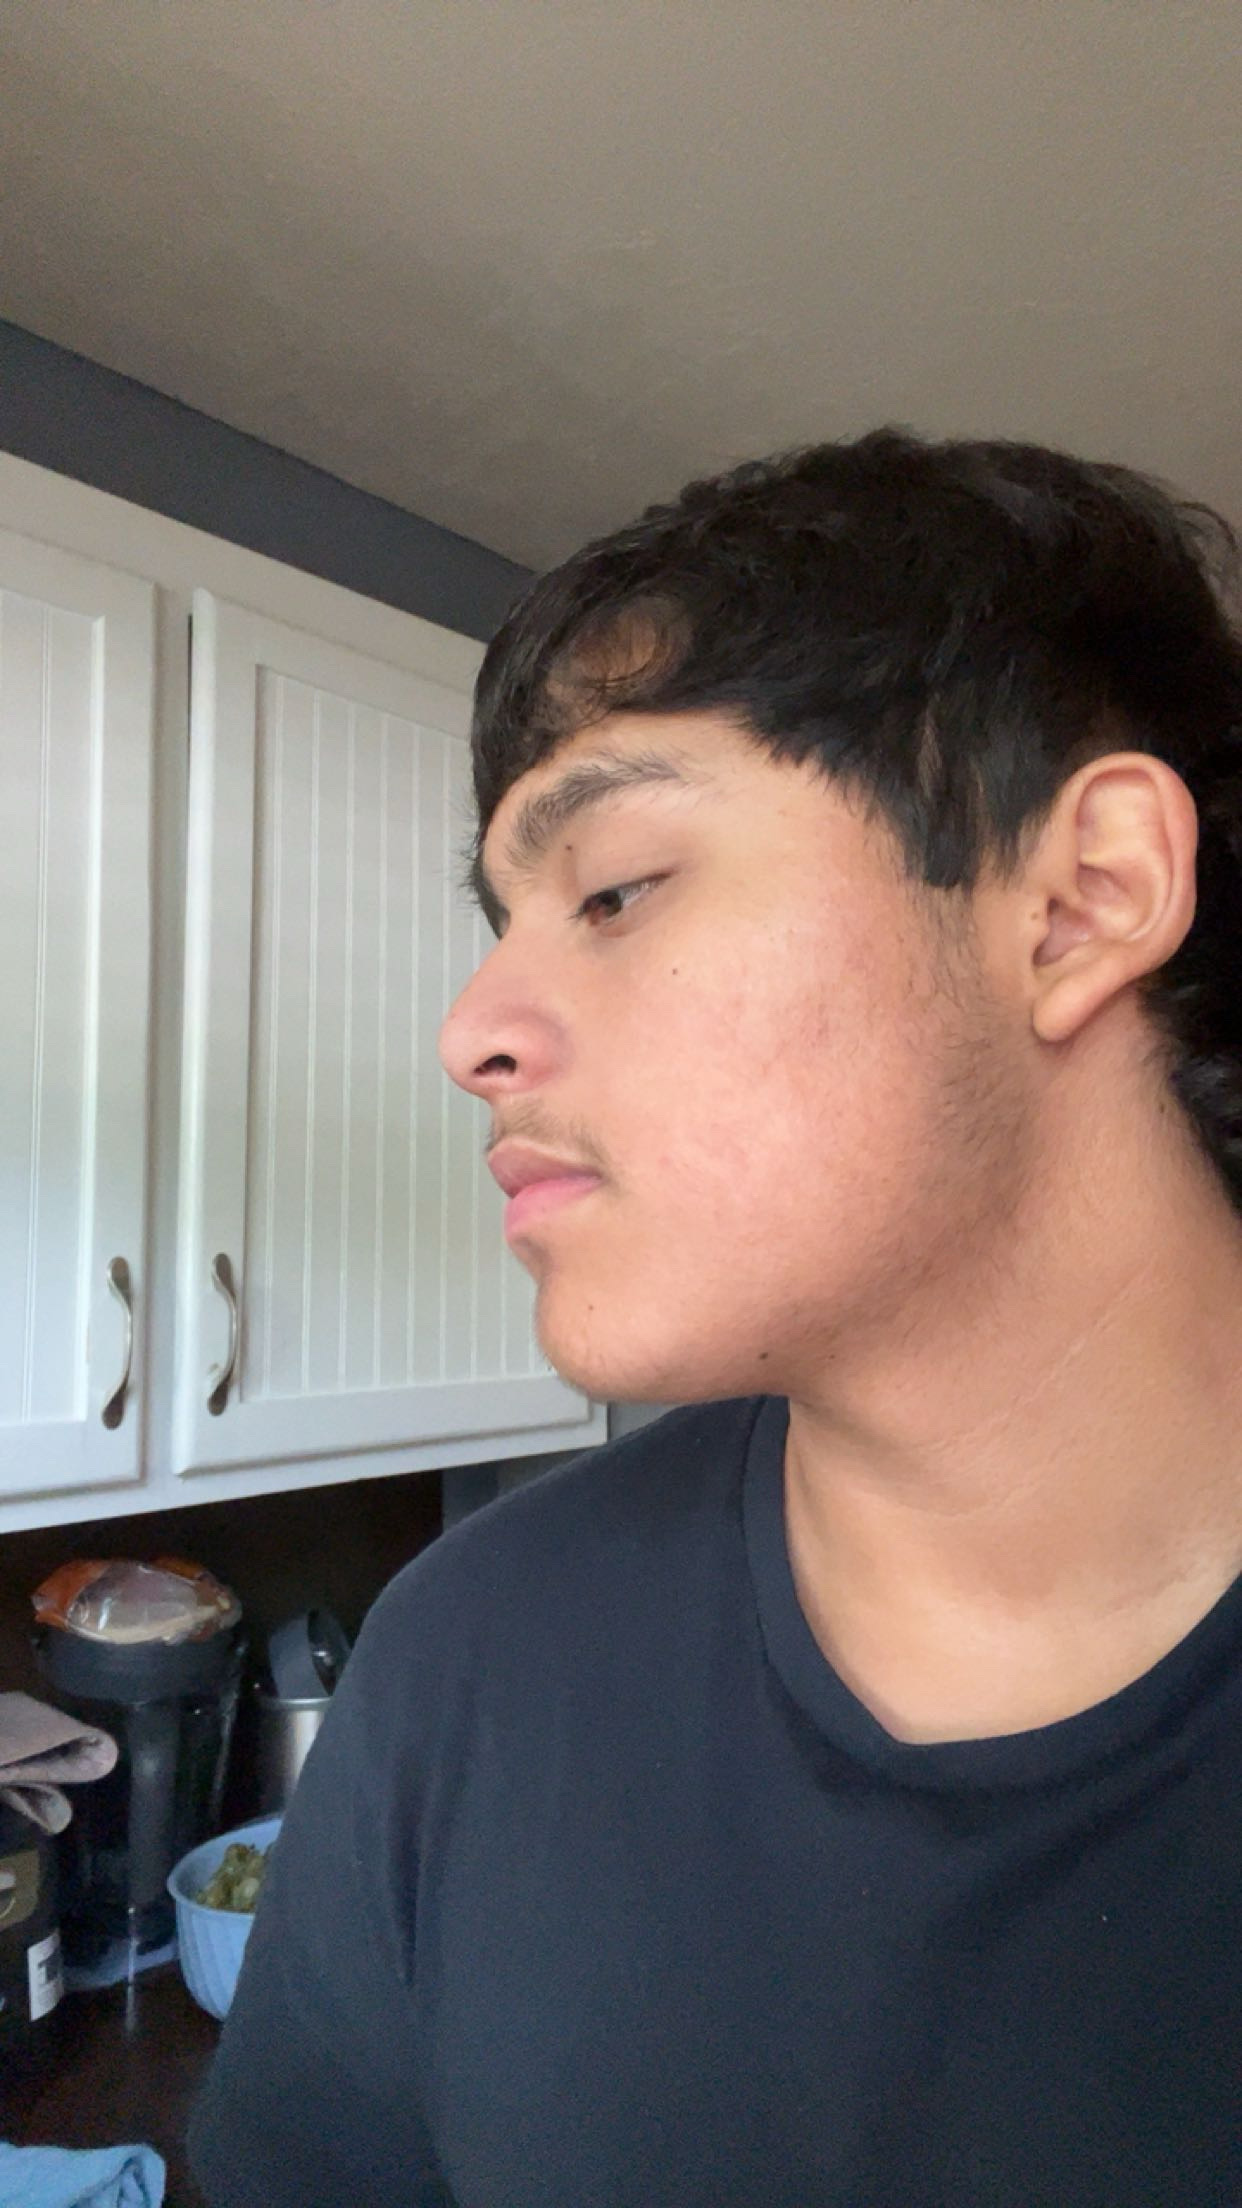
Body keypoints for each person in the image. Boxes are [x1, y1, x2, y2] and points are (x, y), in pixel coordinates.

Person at [188, 430, 1242, 2206]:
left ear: (1080, 900)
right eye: (503, 920)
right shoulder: (467, 1659)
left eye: (613, 889)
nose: (470, 1030)